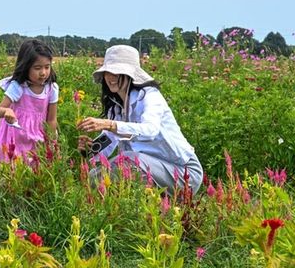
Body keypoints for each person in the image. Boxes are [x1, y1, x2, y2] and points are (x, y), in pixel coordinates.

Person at [76, 45, 203, 195]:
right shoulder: (117, 106)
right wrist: (90, 149)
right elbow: (110, 138)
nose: (111, 77)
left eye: (117, 72)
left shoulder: (149, 96)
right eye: (107, 72)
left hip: (183, 172)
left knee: (127, 161)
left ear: (130, 74)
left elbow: (150, 130)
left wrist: (109, 124)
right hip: (150, 168)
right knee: (94, 175)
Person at [0, 39, 59, 163]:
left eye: (47, 67)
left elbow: (51, 119)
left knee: (35, 171)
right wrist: (6, 111)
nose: (43, 73)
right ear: (26, 67)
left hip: (36, 138)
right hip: (14, 138)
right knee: (10, 171)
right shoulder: (19, 86)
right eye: (37, 68)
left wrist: (52, 142)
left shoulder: (51, 89)